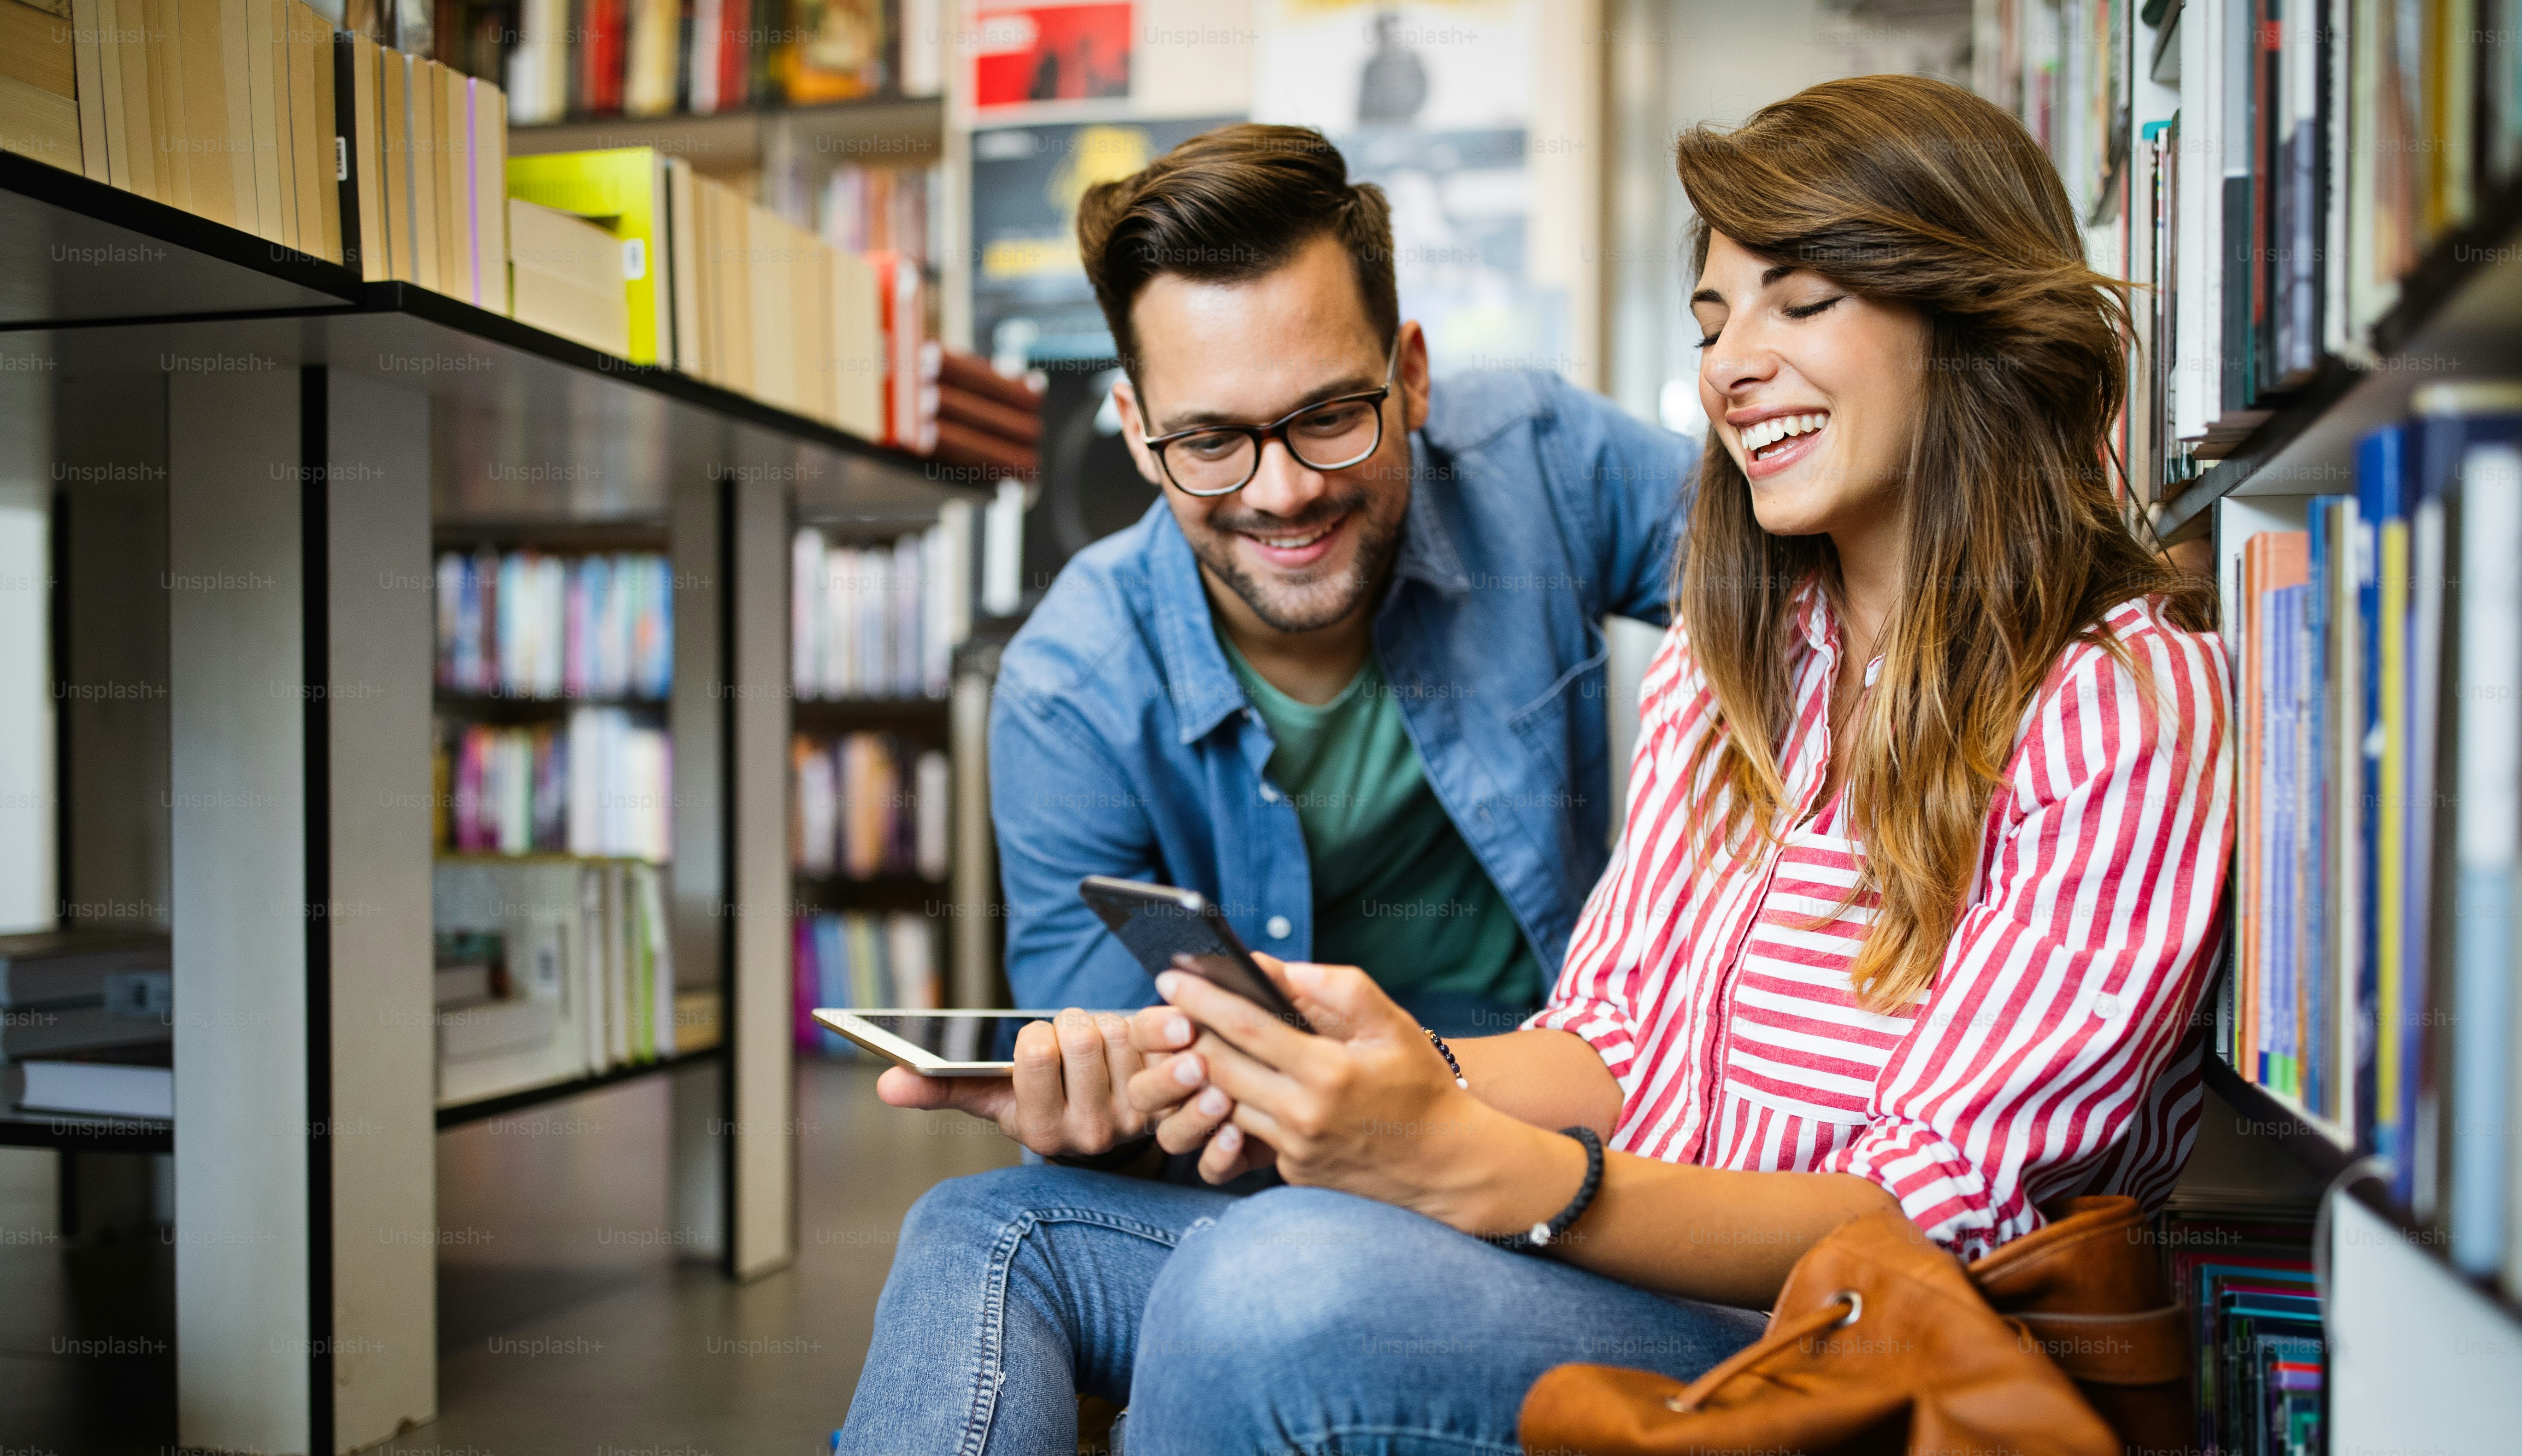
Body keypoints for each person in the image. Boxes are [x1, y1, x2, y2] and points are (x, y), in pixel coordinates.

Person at [838, 73, 2231, 1456]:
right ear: (1141, 439)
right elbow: (1618, 1036)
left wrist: (1482, 1166)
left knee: (1271, 1283)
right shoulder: (1740, 654)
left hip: (1837, 1321)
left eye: (1799, 303)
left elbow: (1937, 1216)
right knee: (984, 1227)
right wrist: (1344, 1079)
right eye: (1714, 318)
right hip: (1604, 1224)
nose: (1731, 367)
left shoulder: (2117, 703)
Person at [980, 122, 1694, 1059]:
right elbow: (1117, 1054)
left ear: (1413, 375)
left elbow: (1814, 572)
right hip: (1274, 1140)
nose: (1284, 494)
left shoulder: (1539, 458)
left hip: (1539, 1088)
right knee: (964, 1214)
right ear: (1136, 430)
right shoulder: (1064, 689)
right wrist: (1109, 1102)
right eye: (1208, 442)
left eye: (1328, 416)